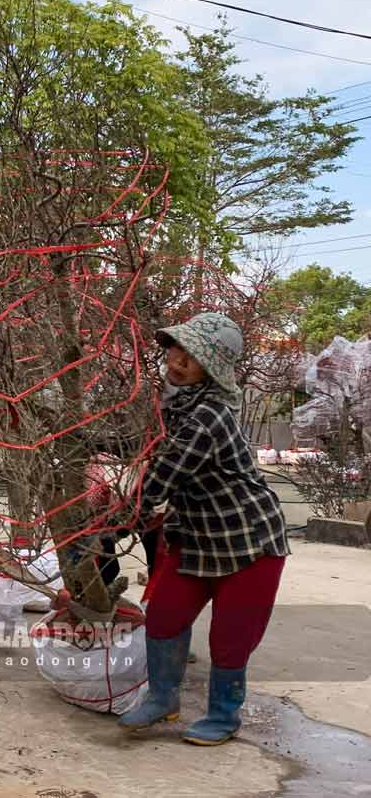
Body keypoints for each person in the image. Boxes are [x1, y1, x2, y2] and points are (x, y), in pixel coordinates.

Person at [119, 312, 290, 745]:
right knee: (164, 616)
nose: (177, 360)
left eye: (191, 356)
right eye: (177, 348)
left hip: (248, 542)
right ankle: (162, 699)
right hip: (194, 536)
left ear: (211, 368)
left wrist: (112, 525)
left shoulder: (209, 415)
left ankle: (224, 716)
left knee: (230, 637)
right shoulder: (176, 406)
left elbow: (160, 480)